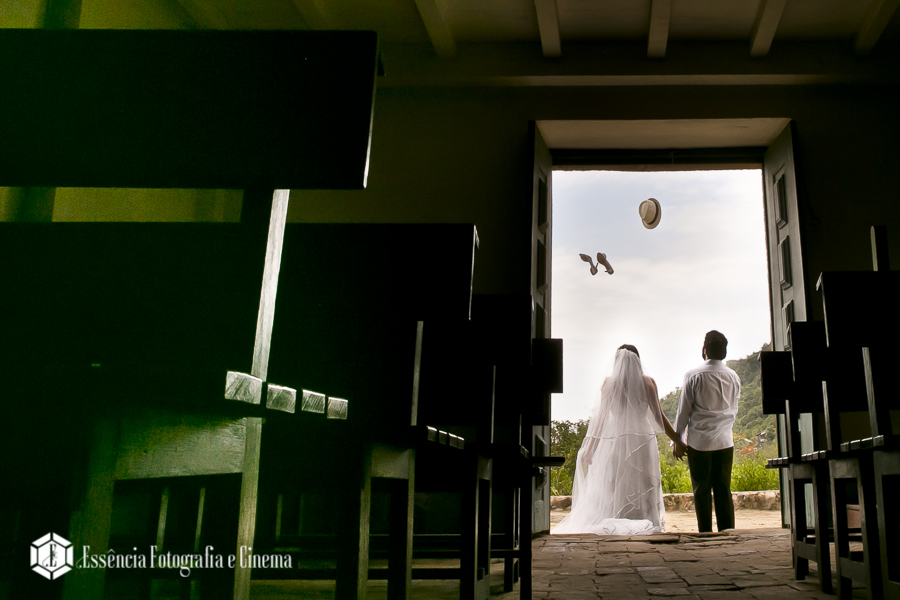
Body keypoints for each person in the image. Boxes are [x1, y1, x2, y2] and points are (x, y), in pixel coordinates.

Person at [553, 344, 687, 535]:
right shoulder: (648, 382)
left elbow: (601, 419)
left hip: (614, 437)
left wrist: (591, 447)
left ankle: (616, 519)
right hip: (642, 438)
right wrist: (677, 440)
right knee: (642, 480)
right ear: (638, 361)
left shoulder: (609, 384)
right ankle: (645, 521)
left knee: (615, 481)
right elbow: (659, 417)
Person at [673, 330, 741, 532]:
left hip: (699, 442)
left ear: (704, 350)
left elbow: (683, 411)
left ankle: (705, 532)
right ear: (725, 352)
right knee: (723, 489)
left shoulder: (693, 375)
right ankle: (727, 532)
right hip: (725, 441)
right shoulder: (734, 377)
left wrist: (678, 439)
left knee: (701, 490)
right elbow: (734, 409)